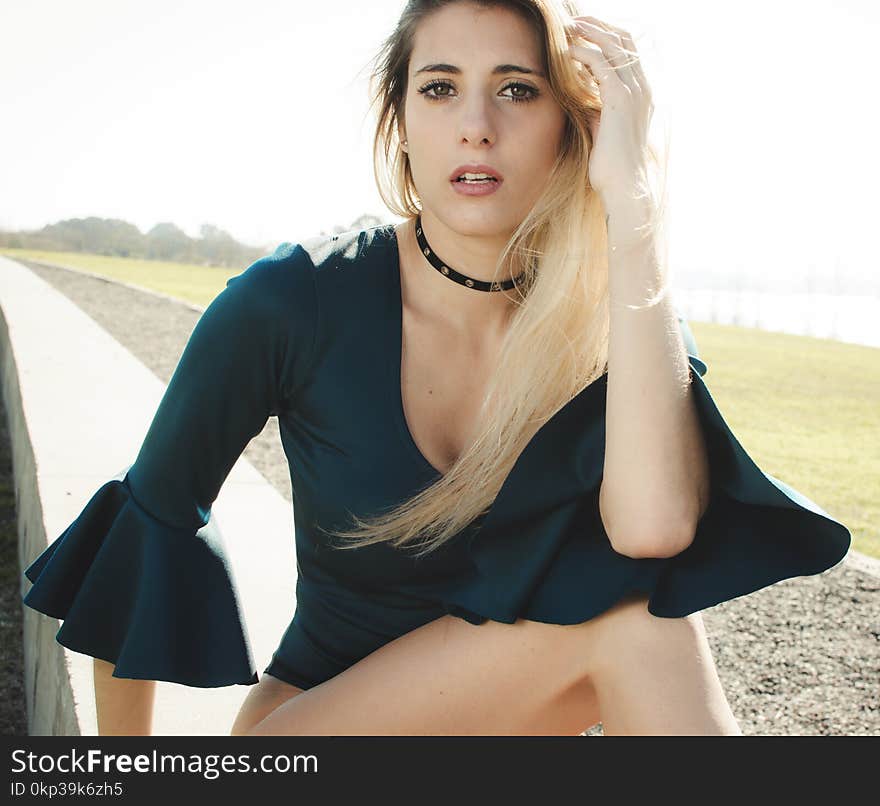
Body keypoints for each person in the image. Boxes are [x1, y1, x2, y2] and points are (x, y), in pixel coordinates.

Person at [22, 0, 851, 737]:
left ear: (576, 122)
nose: (477, 126)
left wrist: (633, 211)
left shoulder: (619, 309)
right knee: (639, 627)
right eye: (441, 87)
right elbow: (151, 526)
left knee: (646, 620)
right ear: (400, 119)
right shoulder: (296, 301)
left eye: (519, 89)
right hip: (317, 729)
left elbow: (653, 529)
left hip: (506, 727)